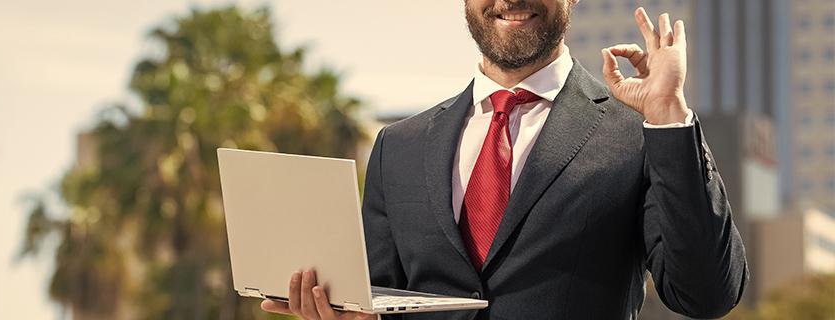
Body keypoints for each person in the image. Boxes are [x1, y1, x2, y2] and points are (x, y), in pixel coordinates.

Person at [261, 0, 748, 319]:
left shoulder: (639, 133)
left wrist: (668, 116)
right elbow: (379, 299)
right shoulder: (399, 146)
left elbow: (707, 294)